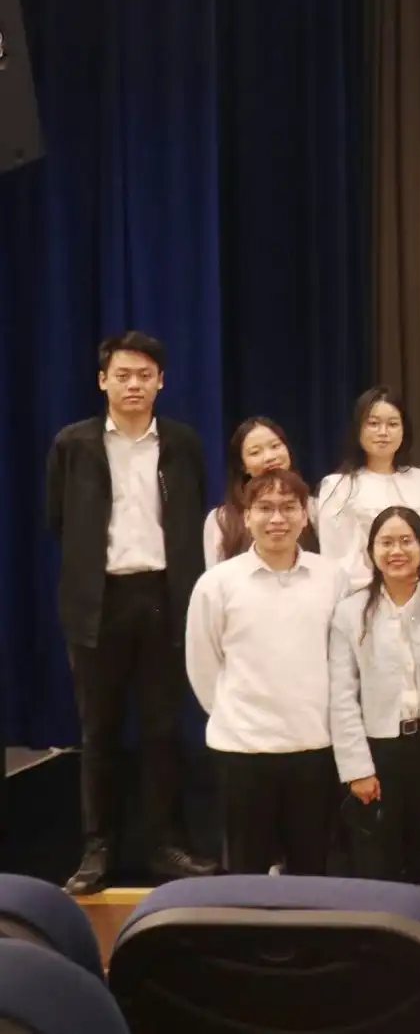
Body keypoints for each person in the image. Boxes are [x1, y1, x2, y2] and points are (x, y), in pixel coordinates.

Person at [46, 331, 216, 894]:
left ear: (161, 381)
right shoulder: (73, 443)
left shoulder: (183, 443)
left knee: (163, 728)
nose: (134, 385)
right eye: (123, 375)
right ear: (103, 381)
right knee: (99, 731)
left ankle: (165, 844)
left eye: (145, 375)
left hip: (165, 596)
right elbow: (57, 518)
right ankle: (98, 847)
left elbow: (193, 512)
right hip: (100, 600)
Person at [185, 468, 351, 875]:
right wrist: (232, 715)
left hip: (313, 745)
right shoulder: (217, 583)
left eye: (288, 508)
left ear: (305, 516)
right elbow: (203, 664)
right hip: (243, 749)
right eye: (265, 508)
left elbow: (343, 660)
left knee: (312, 870)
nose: (277, 518)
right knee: (246, 873)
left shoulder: (332, 578)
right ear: (246, 517)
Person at [329, 506, 420, 891]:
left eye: (406, 541)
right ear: (371, 551)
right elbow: (342, 695)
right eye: (386, 542)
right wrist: (357, 769)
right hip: (378, 754)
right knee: (377, 871)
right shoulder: (350, 612)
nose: (397, 551)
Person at [316, 386, 420, 590]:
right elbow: (336, 558)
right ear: (358, 429)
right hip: (363, 593)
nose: (383, 432)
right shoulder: (338, 487)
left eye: (393, 424)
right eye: (373, 423)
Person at [204, 416, 317, 567]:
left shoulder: (314, 508)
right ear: (243, 466)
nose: (269, 457)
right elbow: (215, 575)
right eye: (255, 452)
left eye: (275, 446)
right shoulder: (222, 519)